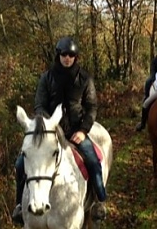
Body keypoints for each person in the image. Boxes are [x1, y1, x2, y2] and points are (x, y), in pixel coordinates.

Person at [12, 36, 106, 225]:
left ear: (75, 57)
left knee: (93, 160)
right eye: (64, 54)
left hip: (76, 131)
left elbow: (92, 107)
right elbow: (39, 105)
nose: (67, 58)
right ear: (58, 55)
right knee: (21, 164)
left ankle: (99, 201)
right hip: (50, 131)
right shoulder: (47, 78)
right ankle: (20, 207)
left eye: (71, 55)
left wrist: (83, 130)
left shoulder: (85, 79)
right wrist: (48, 125)